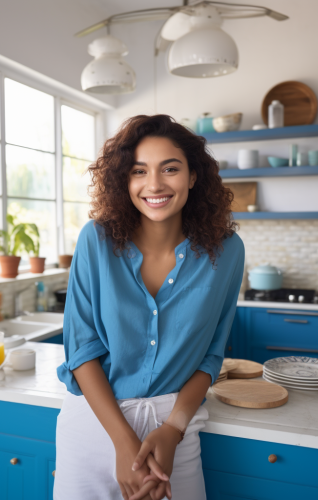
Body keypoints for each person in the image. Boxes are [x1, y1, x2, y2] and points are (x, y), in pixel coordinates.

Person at [53, 114, 245, 500]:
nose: (154, 184)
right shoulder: (96, 240)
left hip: (174, 427)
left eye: (170, 169)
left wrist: (173, 429)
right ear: (125, 180)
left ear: (193, 176)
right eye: (139, 171)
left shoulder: (226, 252)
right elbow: (82, 350)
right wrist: (124, 444)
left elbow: (211, 354)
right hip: (94, 424)